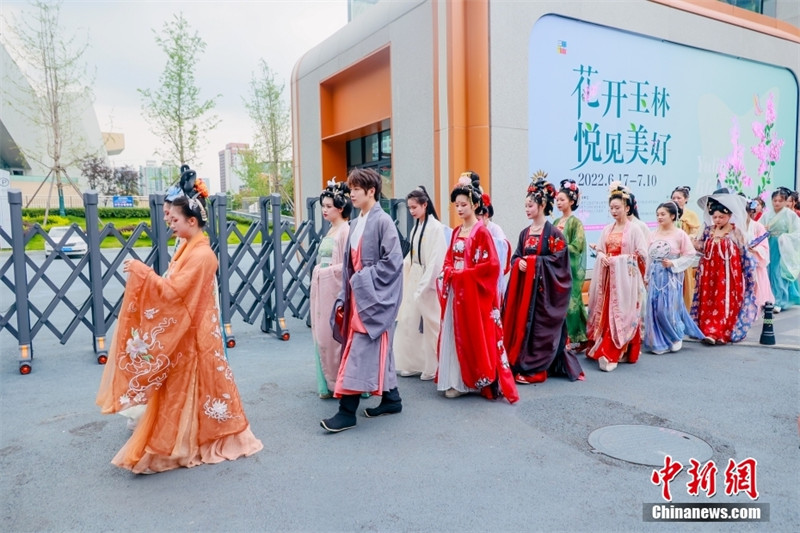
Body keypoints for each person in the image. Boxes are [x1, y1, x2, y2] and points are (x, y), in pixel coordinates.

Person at [96, 175, 262, 473]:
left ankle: (192, 441)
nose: (170, 224)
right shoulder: (189, 247)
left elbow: (174, 294)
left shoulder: (201, 254)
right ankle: (189, 439)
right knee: (189, 389)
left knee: (193, 388)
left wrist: (142, 273)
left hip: (194, 334)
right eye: (169, 218)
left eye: (174, 219)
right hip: (193, 330)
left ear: (193, 220)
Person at [320, 168, 405, 433]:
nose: (352, 193)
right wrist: (348, 290)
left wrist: (360, 280)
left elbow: (393, 263)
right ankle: (392, 399)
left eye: (357, 189)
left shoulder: (383, 221)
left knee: (357, 350)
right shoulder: (356, 222)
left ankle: (347, 412)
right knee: (378, 348)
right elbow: (350, 265)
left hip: (372, 297)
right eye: (351, 188)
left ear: (371, 191)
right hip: (359, 294)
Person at [436, 171, 518, 402]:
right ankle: (455, 378)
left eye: (464, 204)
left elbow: (491, 267)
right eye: (456, 205)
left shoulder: (481, 232)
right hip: (457, 290)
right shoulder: (455, 232)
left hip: (473, 294)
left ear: (474, 204)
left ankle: (469, 381)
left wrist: (463, 275)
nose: (460, 209)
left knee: (472, 335)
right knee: (455, 333)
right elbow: (448, 259)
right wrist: (451, 272)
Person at [503, 177, 583, 384]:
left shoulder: (554, 234)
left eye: (530, 205)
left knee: (539, 330)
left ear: (542, 205)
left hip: (542, 293)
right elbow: (516, 256)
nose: (527, 209)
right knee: (523, 329)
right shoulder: (525, 233)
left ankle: (537, 368)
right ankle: (520, 362)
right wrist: (519, 261)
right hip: (524, 294)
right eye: (525, 206)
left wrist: (532, 264)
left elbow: (560, 263)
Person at [586, 184, 647, 372]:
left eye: (617, 207)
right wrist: (602, 256)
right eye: (611, 208)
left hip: (625, 280)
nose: (614, 211)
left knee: (622, 313)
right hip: (608, 280)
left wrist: (617, 261)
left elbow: (642, 255)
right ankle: (610, 347)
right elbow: (602, 251)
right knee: (608, 314)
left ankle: (615, 351)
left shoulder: (635, 230)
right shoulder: (607, 229)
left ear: (627, 208)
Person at [393, 185, 447, 381]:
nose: (411, 211)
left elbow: (436, 259)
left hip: (427, 279)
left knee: (429, 323)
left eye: (414, 207)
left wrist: (425, 284)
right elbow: (412, 255)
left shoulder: (436, 228)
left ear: (425, 205)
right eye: (409, 207)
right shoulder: (417, 226)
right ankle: (414, 362)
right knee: (410, 321)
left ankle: (432, 365)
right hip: (415, 275)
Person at [692, 188, 758, 344]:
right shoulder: (708, 231)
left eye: (721, 217)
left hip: (729, 275)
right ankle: (708, 331)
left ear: (729, 216)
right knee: (709, 300)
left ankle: (723, 332)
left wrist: (750, 273)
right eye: (714, 217)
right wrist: (693, 243)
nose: (717, 220)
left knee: (724, 300)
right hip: (709, 273)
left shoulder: (736, 232)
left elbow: (744, 253)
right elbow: (701, 247)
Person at [643, 202, 708, 354]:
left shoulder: (680, 234)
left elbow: (690, 254)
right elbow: (649, 257)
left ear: (672, 216)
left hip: (671, 276)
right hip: (655, 275)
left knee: (666, 309)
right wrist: (646, 275)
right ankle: (659, 341)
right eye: (658, 214)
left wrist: (673, 262)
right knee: (654, 308)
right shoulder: (653, 235)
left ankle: (676, 336)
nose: (659, 217)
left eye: (663, 214)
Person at [310, 179, 352, 399]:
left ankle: (340, 382)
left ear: (340, 207)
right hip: (322, 287)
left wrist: (323, 272)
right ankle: (327, 382)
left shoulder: (345, 230)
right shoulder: (332, 230)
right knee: (321, 333)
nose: (324, 210)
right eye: (323, 207)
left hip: (333, 288)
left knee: (332, 335)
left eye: (328, 206)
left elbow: (347, 266)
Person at [553, 178, 590, 352]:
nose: (559, 203)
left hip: (570, 268)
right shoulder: (554, 223)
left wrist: (560, 249)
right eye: (557, 200)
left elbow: (578, 245)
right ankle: (561, 338)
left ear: (572, 201)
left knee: (572, 304)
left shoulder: (576, 223)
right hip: (555, 269)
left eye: (562, 200)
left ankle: (577, 338)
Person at [763, 187, 800, 313]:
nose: (777, 203)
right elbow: (758, 228)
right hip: (769, 245)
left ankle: (779, 301)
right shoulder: (767, 215)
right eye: (775, 200)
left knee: (779, 273)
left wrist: (785, 237)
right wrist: (764, 230)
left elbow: (797, 233)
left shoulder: (791, 215)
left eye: (780, 200)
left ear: (785, 202)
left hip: (784, 247)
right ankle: (770, 299)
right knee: (769, 273)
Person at [671, 185, 701, 310]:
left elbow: (695, 230)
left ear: (686, 199)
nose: (676, 200)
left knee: (686, 282)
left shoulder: (691, 215)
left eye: (679, 198)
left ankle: (685, 310)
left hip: (684, 253)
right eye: (674, 198)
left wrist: (686, 238)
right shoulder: (670, 213)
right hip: (672, 254)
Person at [477, 195, 512, 299]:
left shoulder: (495, 229)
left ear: (486, 215)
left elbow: (503, 245)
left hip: (491, 270)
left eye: (478, 217)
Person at [744, 199, 774, 310]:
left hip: (754, 260)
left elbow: (764, 247)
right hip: (742, 260)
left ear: (750, 212)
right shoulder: (737, 227)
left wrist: (755, 249)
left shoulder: (758, 227)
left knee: (756, 288)